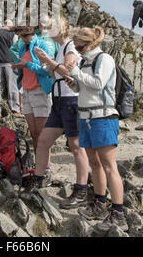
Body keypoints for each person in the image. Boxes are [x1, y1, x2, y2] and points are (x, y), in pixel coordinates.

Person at [65, 26, 128, 231]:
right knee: (95, 163)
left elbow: (99, 83)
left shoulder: (104, 59)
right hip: (86, 117)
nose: (76, 48)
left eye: (78, 45)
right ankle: (100, 203)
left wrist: (74, 71)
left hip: (103, 117)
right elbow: (85, 87)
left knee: (109, 165)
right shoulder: (85, 61)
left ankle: (118, 212)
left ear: (88, 43)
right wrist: (73, 83)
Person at [31, 16, 89, 209]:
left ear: (60, 28)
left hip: (72, 101)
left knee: (75, 145)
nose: (47, 30)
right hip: (59, 101)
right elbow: (58, 73)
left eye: (51, 27)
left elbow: (69, 72)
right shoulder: (61, 48)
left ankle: (81, 189)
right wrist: (46, 65)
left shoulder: (70, 47)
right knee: (43, 141)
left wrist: (48, 61)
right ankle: (39, 179)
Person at [11, 26, 54, 159]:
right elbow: (24, 68)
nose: (22, 39)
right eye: (21, 36)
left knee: (42, 134)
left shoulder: (42, 45)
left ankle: (45, 166)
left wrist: (27, 64)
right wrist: (17, 67)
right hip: (27, 92)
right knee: (34, 133)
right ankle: (38, 165)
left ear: (32, 33)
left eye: (25, 36)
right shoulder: (24, 46)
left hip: (40, 91)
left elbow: (47, 69)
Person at [0, 20, 22, 120]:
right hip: (10, 63)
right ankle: (15, 109)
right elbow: (17, 49)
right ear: (10, 26)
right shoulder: (12, 34)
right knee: (13, 87)